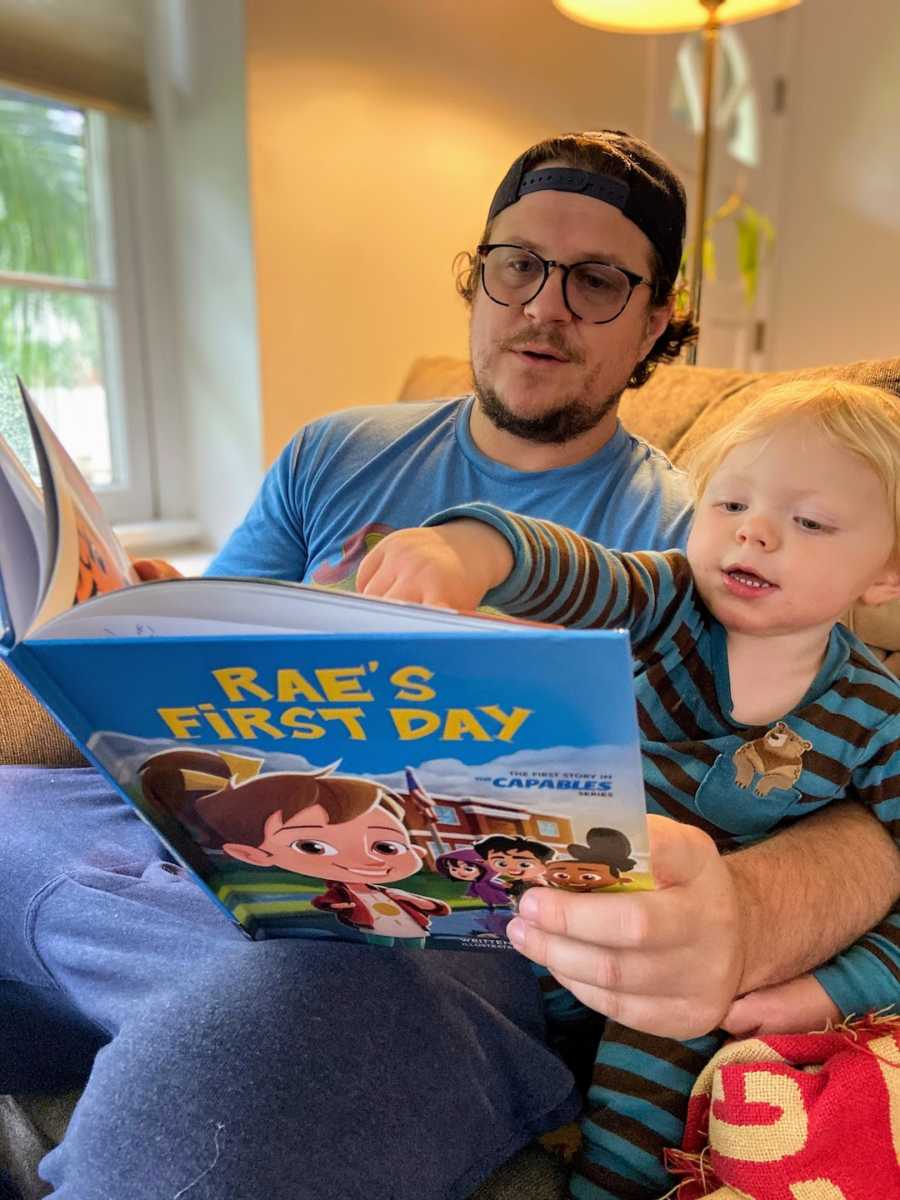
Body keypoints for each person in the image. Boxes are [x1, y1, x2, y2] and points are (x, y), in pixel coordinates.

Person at [2, 130, 896, 1200]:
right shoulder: (333, 450)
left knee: (256, 1059)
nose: (543, 306)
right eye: (517, 265)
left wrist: (770, 920)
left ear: (659, 321)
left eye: (598, 281)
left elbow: (821, 768)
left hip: (414, 920)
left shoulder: (700, 534)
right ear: (478, 281)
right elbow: (190, 650)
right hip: (175, 829)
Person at [356, 377, 900, 1197]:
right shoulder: (670, 599)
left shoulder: (876, 713)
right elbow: (581, 573)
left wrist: (831, 987)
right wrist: (475, 550)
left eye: (810, 521)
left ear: (887, 575)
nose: (753, 532)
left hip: (678, 963)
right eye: (728, 505)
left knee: (650, 1090)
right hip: (550, 897)